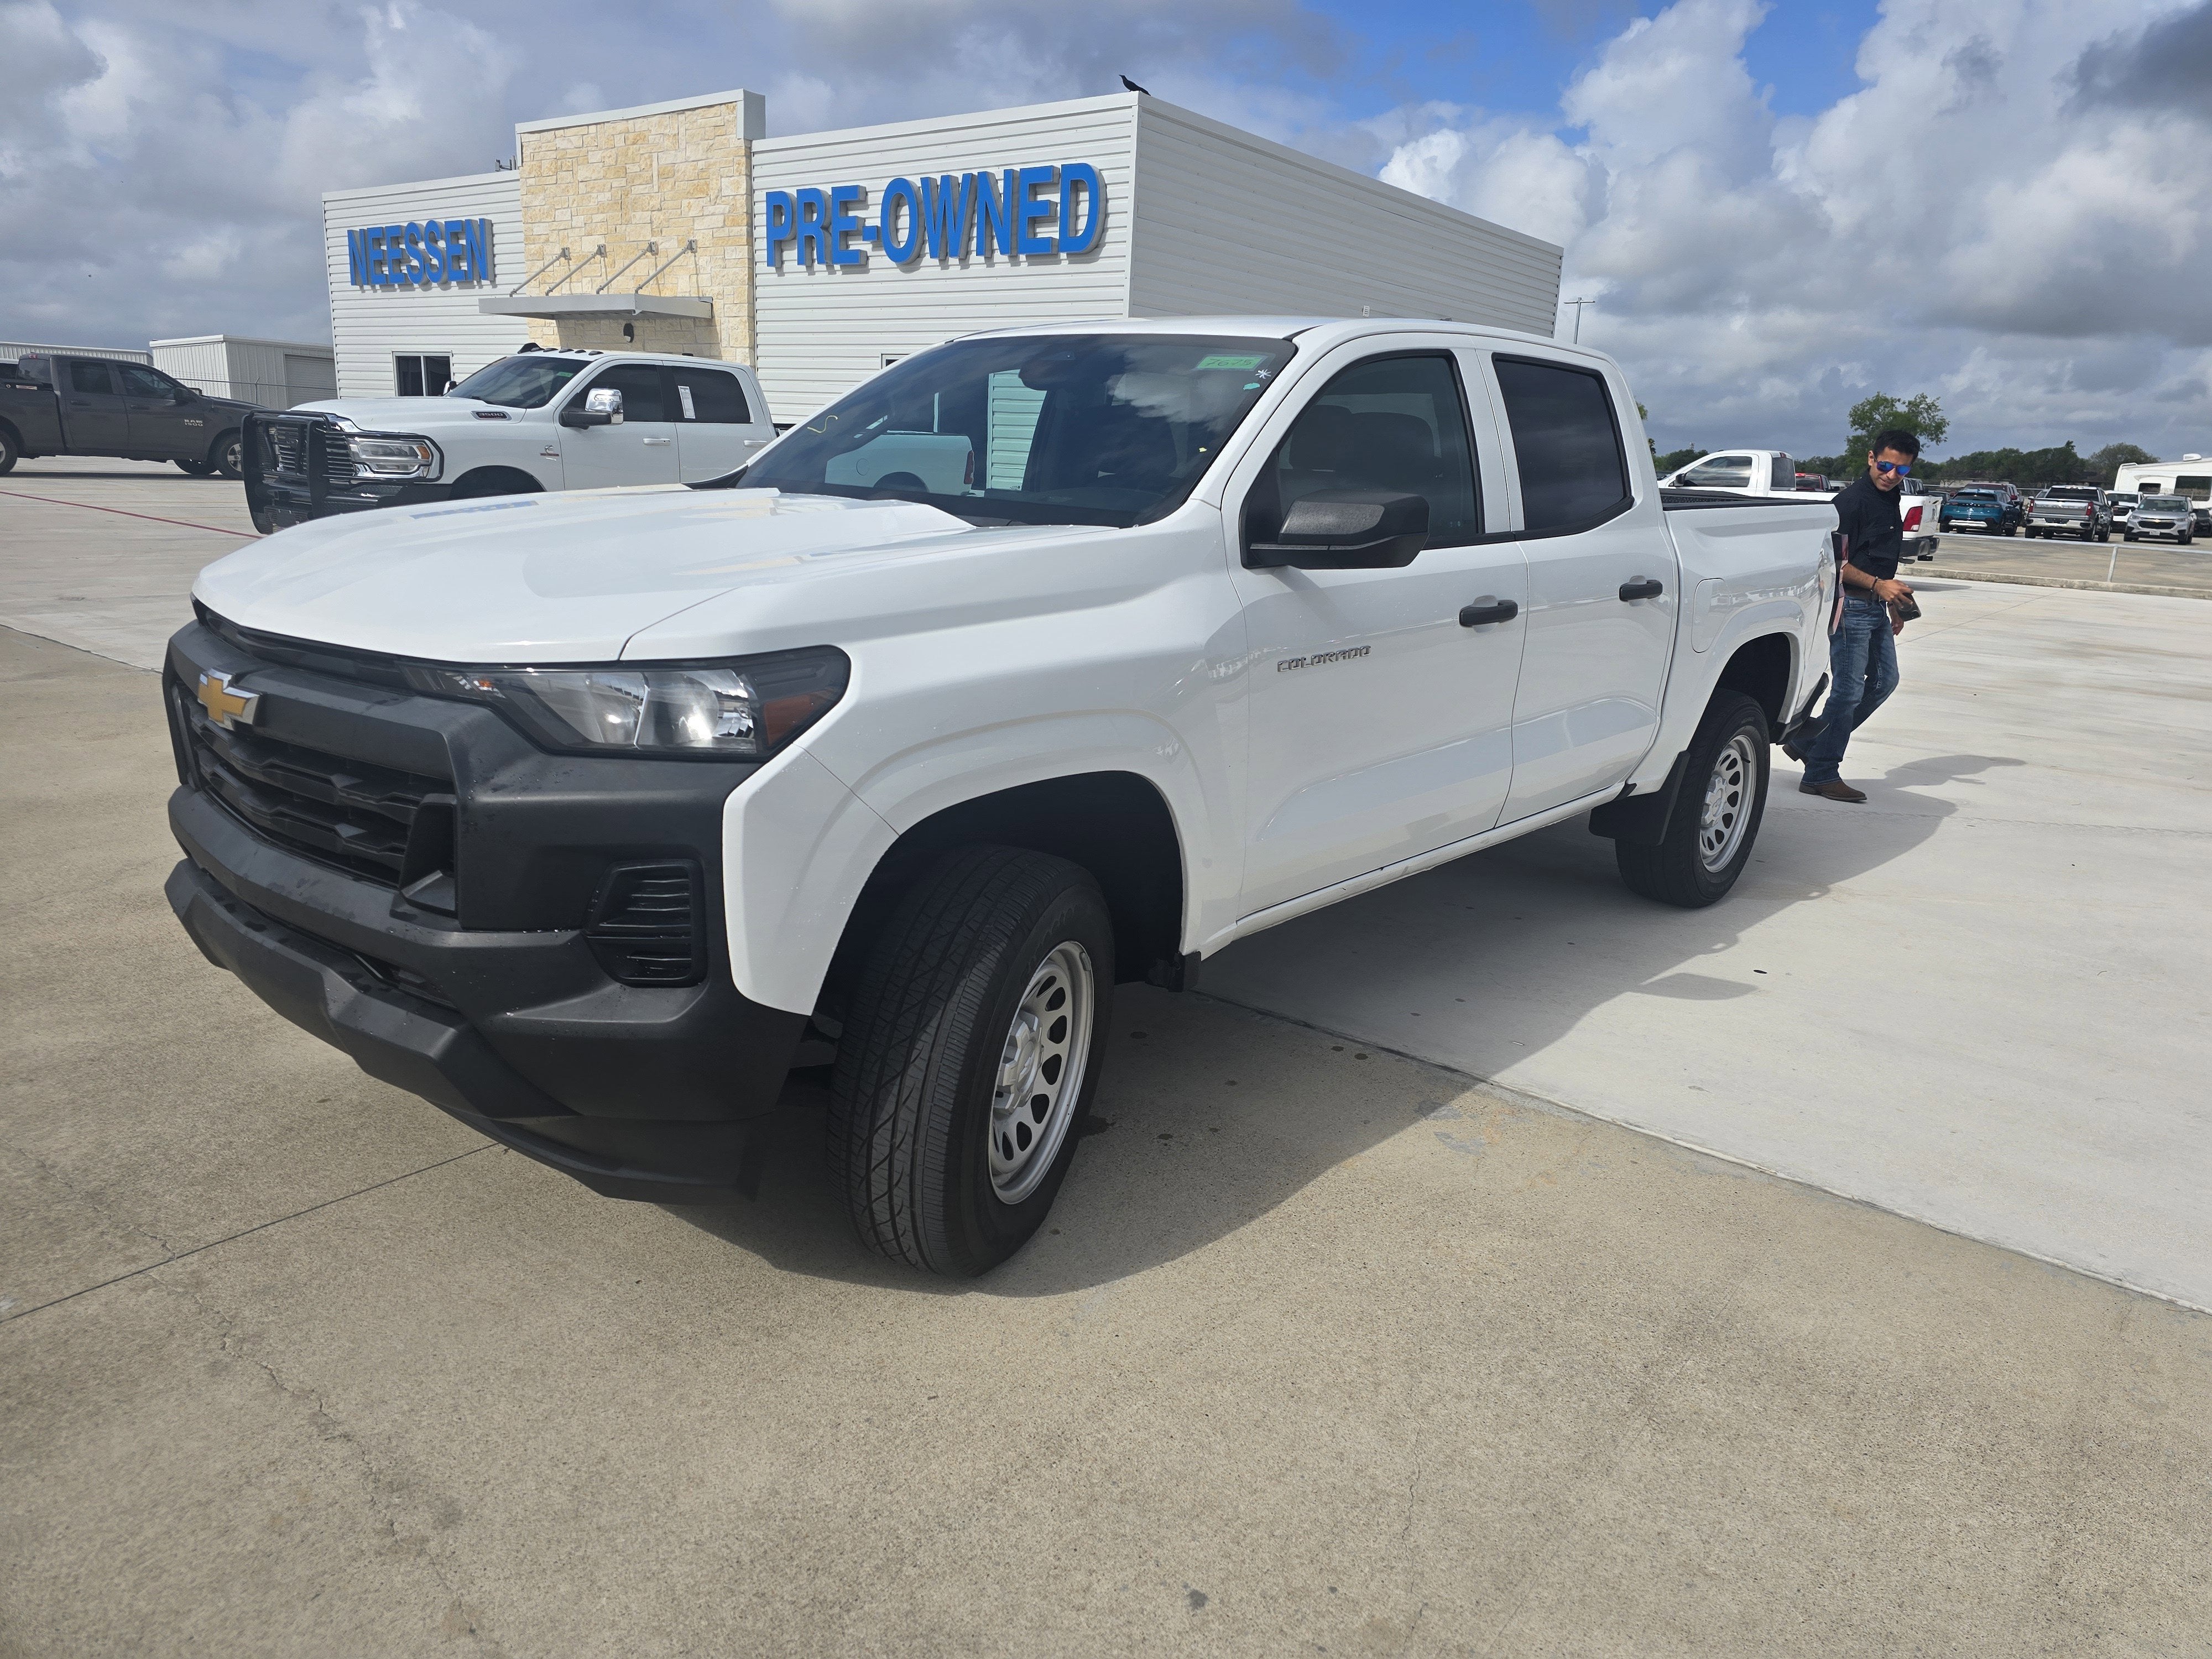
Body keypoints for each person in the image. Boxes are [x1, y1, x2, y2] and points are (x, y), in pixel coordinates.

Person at [1797, 429, 1918, 802]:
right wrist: (1879, 586)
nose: (1891, 475)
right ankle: (1820, 773)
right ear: (1871, 458)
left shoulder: (1892, 498)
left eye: (1901, 470)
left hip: (1875, 605)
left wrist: (1892, 601)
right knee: (1848, 691)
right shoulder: (1849, 503)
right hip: (1849, 606)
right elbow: (1832, 563)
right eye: (1885, 466)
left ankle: (1810, 743)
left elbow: (1878, 557)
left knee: (1884, 682)